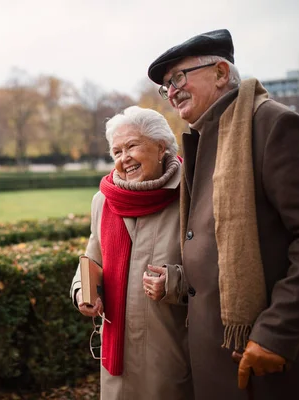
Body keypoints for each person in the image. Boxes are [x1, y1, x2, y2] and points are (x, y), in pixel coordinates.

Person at [146, 29, 299, 400]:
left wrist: (277, 333)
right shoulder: (207, 136)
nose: (172, 91)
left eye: (178, 77)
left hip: (271, 360)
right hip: (220, 357)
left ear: (222, 73)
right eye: (166, 86)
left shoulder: (272, 125)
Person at [69, 106, 193, 400]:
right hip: (117, 361)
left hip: (170, 351)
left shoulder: (191, 193)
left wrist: (175, 282)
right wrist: (81, 291)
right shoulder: (104, 199)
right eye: (116, 151)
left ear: (161, 146)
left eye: (132, 146)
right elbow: (92, 257)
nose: (124, 158)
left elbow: (218, 268)